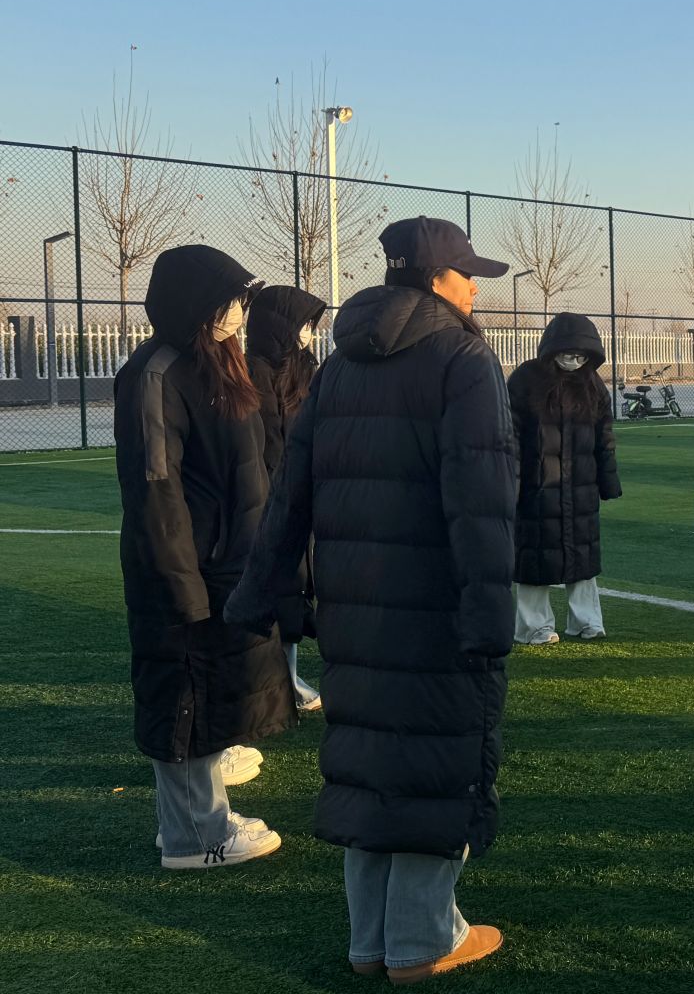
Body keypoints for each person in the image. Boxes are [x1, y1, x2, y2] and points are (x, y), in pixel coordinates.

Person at [228, 217, 516, 983]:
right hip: (437, 606)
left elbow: (290, 492)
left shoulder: (340, 366)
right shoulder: (464, 360)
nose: (474, 286)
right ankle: (422, 940)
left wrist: (258, 592)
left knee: (368, 757)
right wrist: (491, 618)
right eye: (466, 273)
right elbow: (482, 503)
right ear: (435, 279)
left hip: (353, 604)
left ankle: (371, 941)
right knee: (436, 756)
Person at [115, 245, 290, 870]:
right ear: (196, 302)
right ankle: (195, 836)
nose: (240, 311)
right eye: (231, 299)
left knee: (212, 689)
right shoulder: (156, 373)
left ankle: (196, 819)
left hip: (227, 566)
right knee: (182, 693)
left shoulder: (220, 362)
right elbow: (157, 492)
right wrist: (181, 587)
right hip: (186, 570)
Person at [509, 312, 622, 644]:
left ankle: (587, 621)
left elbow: (604, 436)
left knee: (583, 556)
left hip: (581, 486)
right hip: (536, 488)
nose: (574, 361)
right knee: (533, 557)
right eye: (568, 354)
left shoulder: (592, 384)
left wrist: (608, 481)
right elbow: (509, 434)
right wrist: (511, 483)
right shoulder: (525, 380)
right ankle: (533, 627)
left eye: (581, 355)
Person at [245, 283, 329, 710]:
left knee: (296, 591)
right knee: (276, 589)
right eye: (304, 324)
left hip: (299, 494)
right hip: (268, 497)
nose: (309, 333)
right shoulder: (255, 373)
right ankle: (277, 684)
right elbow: (267, 443)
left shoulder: (304, 370)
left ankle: (288, 679)